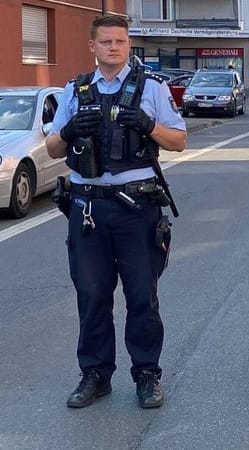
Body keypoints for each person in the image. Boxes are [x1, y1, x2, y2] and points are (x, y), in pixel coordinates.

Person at [45, 15, 186, 409]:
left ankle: (146, 374)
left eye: (120, 42)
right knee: (91, 296)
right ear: (92, 46)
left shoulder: (152, 88)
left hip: (137, 207)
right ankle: (94, 374)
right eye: (106, 42)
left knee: (142, 296)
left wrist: (147, 124)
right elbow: (54, 149)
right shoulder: (75, 89)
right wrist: (71, 129)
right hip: (87, 204)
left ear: (129, 46)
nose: (114, 48)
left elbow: (178, 141)